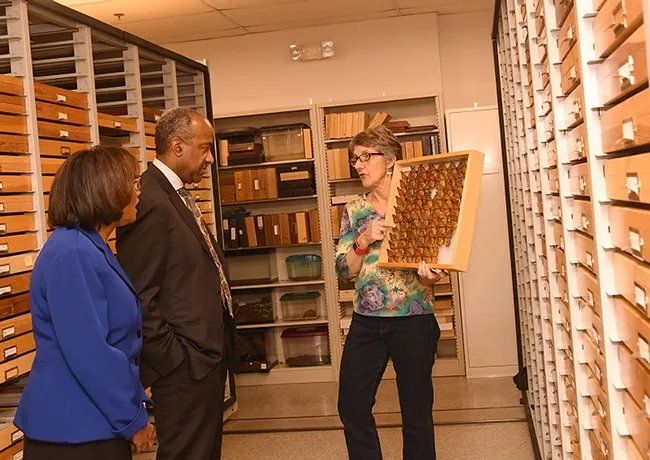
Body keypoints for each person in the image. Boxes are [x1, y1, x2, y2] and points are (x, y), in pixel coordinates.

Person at [15, 145, 156, 460]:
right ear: (105, 190)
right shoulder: (73, 253)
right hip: (74, 432)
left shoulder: (92, 247)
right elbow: (90, 352)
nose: (138, 190)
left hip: (94, 422)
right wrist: (132, 420)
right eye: (132, 181)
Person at [116, 107, 237, 460]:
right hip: (184, 365)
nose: (211, 158)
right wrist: (175, 359)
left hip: (204, 356)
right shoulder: (148, 199)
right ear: (177, 146)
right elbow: (140, 292)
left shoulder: (176, 193)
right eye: (205, 148)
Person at [336, 126, 443, 460]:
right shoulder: (354, 210)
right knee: (351, 406)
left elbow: (436, 271)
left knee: (416, 412)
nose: (359, 165)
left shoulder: (421, 205)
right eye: (355, 159)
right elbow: (344, 270)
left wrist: (433, 276)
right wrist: (364, 239)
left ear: (392, 160)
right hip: (366, 323)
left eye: (366, 157)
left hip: (413, 320)